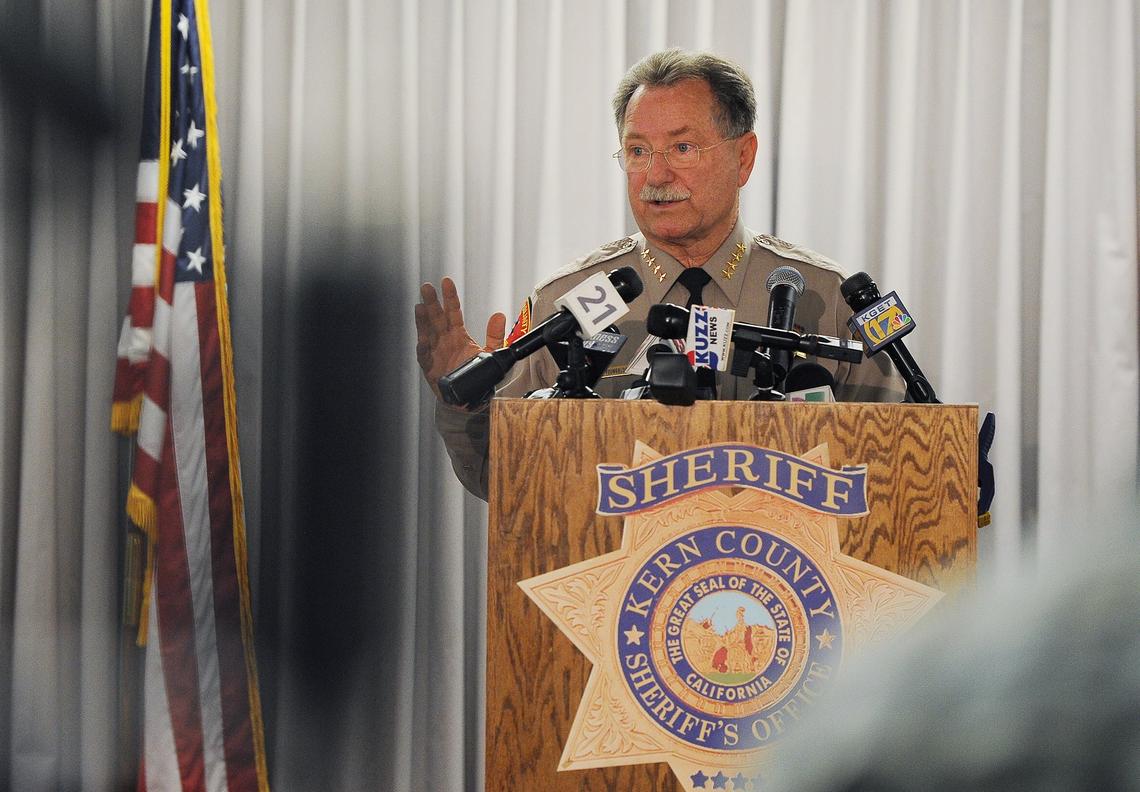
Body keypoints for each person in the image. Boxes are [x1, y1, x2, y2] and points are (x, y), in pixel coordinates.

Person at [415, 49, 902, 499]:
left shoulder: (827, 297)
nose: (656, 175)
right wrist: (464, 405)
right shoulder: (565, 302)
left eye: (683, 147)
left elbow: (896, 464)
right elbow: (508, 483)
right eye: (638, 151)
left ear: (744, 157)